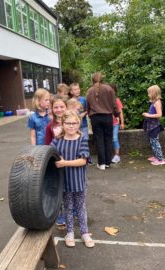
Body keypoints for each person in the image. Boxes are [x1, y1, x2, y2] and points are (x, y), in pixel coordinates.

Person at [51, 110, 95, 248]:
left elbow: (83, 161)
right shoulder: (57, 140)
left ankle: (84, 232)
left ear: (79, 123)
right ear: (62, 124)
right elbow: (48, 155)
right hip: (63, 182)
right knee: (68, 208)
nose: (71, 126)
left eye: (74, 123)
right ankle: (69, 232)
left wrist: (65, 163)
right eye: (68, 123)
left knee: (80, 208)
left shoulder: (82, 139)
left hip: (78, 182)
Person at [86, 72, 119, 170]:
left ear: (92, 79)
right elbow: (114, 105)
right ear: (103, 79)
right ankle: (108, 162)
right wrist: (116, 115)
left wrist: (90, 114)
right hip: (107, 117)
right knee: (108, 139)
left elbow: (87, 106)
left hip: (95, 118)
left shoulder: (89, 91)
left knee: (99, 140)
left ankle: (101, 163)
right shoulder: (109, 89)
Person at [45, 95, 67, 226]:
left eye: (61, 106)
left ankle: (73, 210)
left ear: (66, 107)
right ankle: (59, 214)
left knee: (72, 188)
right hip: (58, 162)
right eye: (56, 107)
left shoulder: (72, 122)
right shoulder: (49, 127)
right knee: (59, 189)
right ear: (52, 109)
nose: (59, 109)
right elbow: (47, 145)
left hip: (72, 161)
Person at [142, 85, 165, 165]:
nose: (148, 95)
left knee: (155, 142)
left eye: (149, 93)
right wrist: (148, 114)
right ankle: (156, 157)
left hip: (154, 126)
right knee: (152, 141)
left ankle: (160, 159)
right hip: (151, 125)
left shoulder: (157, 103)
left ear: (154, 93)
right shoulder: (155, 102)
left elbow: (159, 115)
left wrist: (148, 115)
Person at [109, 84, 125, 163]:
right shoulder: (105, 100)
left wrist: (122, 123)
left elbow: (120, 112)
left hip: (115, 124)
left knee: (114, 138)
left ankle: (117, 155)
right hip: (107, 123)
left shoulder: (117, 100)